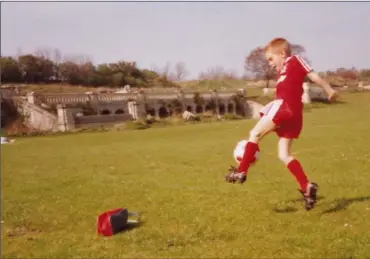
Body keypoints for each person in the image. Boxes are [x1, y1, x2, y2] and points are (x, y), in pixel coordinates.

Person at [225, 37, 338, 210]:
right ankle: (306, 186)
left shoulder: (294, 60)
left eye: (271, 59)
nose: (270, 63)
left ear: (282, 53)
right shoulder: (282, 72)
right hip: (292, 114)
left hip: (285, 107)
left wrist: (328, 88)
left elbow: (312, 74)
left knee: (254, 134)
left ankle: (241, 171)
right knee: (284, 154)